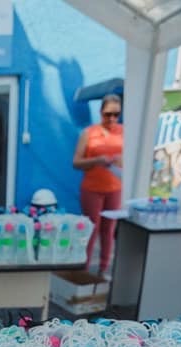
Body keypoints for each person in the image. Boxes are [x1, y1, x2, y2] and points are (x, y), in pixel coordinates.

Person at [73, 94, 123, 277]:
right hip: (92, 188)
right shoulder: (89, 133)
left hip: (114, 187)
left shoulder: (124, 132)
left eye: (116, 114)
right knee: (91, 230)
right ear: (101, 112)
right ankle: (83, 269)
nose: (111, 119)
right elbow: (76, 162)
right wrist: (96, 160)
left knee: (109, 230)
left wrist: (121, 161)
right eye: (107, 114)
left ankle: (103, 269)